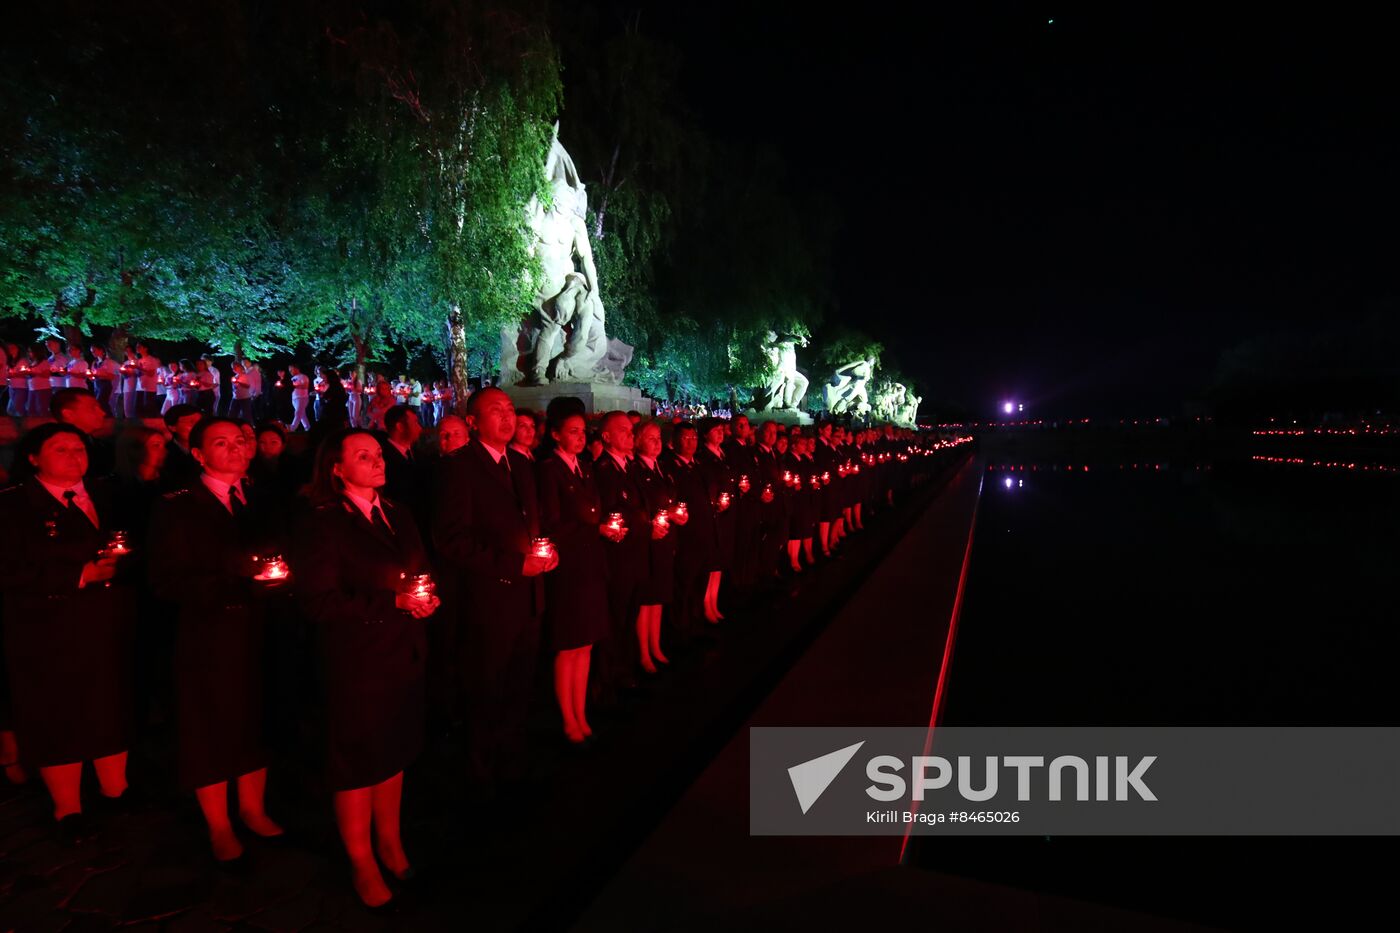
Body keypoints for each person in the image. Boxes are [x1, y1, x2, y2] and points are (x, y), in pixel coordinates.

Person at [295, 429, 439, 910]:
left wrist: (424, 597)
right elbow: (317, 601)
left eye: (378, 454)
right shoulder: (323, 523)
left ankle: (391, 841)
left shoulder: (398, 513)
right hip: (355, 659)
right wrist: (389, 601)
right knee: (357, 761)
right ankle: (360, 859)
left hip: (400, 650)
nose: (377, 462)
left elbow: (419, 569)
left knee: (393, 752)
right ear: (336, 468)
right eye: (363, 456)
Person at [147, 418, 285, 864]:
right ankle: (219, 824)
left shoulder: (262, 497)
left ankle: (252, 807)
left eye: (239, 441)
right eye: (220, 443)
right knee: (209, 725)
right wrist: (235, 582)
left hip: (262, 627)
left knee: (257, 713)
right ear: (199, 454)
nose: (235, 449)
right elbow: (166, 579)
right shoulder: (178, 506)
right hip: (208, 631)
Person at [0, 423, 138, 845]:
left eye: (79, 448)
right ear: (33, 458)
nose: (74, 456)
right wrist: (78, 574)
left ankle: (117, 788)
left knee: (110, 703)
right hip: (49, 628)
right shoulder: (13, 506)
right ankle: (68, 805)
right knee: (60, 713)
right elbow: (9, 570)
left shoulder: (110, 494)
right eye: (60, 449)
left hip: (109, 622)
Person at [431, 388, 556, 793]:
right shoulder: (460, 468)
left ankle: (511, 756)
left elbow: (529, 525)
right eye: (495, 411)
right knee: (486, 686)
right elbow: (451, 539)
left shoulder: (519, 465)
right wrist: (512, 564)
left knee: (519, 685)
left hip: (527, 595)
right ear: (473, 421)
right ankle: (481, 770)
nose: (506, 417)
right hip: (488, 600)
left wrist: (543, 551)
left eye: (508, 409)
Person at [535, 412, 613, 745]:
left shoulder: (584, 467)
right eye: (572, 432)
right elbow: (552, 521)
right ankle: (567, 717)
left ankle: (580, 712)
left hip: (590, 563)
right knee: (568, 646)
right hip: (569, 567)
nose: (580, 437)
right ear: (555, 435)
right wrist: (590, 528)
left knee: (586, 644)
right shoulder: (549, 470)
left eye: (583, 432)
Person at [592, 411, 655, 697]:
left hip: (636, 555)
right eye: (624, 431)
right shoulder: (603, 471)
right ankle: (610, 675)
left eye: (631, 431)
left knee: (629, 616)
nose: (631, 435)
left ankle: (625, 666)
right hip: (618, 558)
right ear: (606, 437)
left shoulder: (628, 467)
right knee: (616, 618)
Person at [629, 421, 683, 673]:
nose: (656, 442)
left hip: (666, 539)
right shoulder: (635, 469)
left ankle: (655, 644)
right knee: (647, 599)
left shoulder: (663, 467)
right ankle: (642, 651)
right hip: (649, 543)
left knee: (660, 596)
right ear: (637, 441)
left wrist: (677, 513)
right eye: (650, 438)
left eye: (659, 437)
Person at [160, 404, 203, 492]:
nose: (198, 427)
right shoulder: (164, 455)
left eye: (200, 422)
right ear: (173, 428)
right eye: (191, 422)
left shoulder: (209, 450)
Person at [25, 344, 53, 418]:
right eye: (28, 351)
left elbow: (47, 375)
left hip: (42, 389)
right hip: (32, 388)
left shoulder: (44, 362)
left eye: (30, 351)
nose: (29, 353)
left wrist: (34, 373)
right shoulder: (32, 363)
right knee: (31, 409)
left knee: (41, 409)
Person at [135, 342, 161, 417]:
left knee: (148, 408)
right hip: (140, 387)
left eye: (139, 346)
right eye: (136, 346)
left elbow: (151, 373)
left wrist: (138, 368)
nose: (137, 348)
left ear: (146, 348)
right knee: (139, 408)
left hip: (149, 388)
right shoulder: (139, 361)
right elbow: (138, 373)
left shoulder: (152, 359)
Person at [5, 341, 28, 418]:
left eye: (13, 348)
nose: (11, 349)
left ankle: (26, 422)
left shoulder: (23, 361)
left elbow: (25, 373)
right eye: (9, 348)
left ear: (18, 349)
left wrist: (13, 374)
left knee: (18, 406)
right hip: (12, 387)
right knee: (10, 409)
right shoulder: (9, 362)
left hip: (21, 387)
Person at [288, 364, 311, 432]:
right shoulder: (292, 378)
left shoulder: (303, 377)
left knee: (298, 413)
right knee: (302, 415)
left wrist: (294, 386)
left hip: (302, 398)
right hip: (294, 398)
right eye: (289, 370)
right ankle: (308, 428)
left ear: (296, 368)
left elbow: (305, 386)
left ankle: (292, 429)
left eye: (291, 369)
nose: (290, 371)